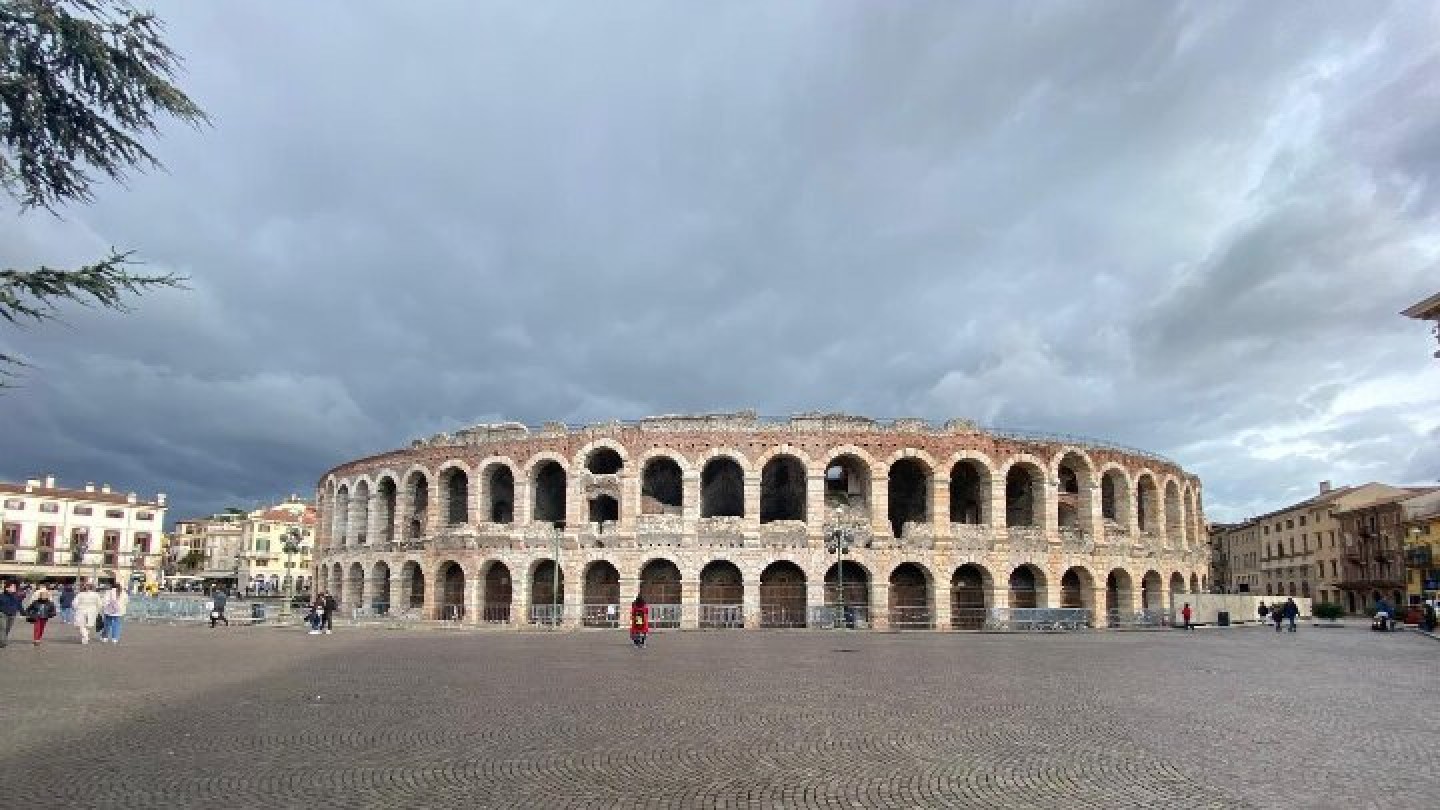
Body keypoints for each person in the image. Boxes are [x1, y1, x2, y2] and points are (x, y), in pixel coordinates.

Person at [1, 581, 22, 648]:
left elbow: (19, 605)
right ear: (7, 588)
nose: (14, 588)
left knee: (7, 628)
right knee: (2, 628)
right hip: (2, 614)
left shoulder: (16, 596)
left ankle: (3, 639)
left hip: (12, 615)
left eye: (15, 587)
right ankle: (2, 642)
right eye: (13, 587)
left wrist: (24, 613)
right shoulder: (1, 596)